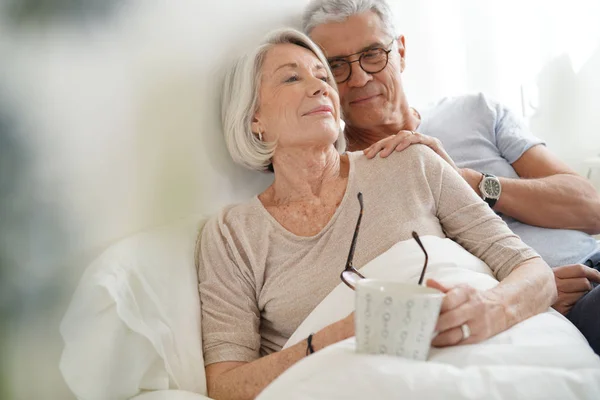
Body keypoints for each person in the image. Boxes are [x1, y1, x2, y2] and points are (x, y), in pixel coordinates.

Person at [197, 27, 556, 400]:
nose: (321, 87)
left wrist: (492, 308)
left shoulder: (409, 161)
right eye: (291, 77)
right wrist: (342, 335)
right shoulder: (231, 234)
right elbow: (224, 386)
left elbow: (535, 272)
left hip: (473, 358)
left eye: (323, 76)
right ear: (255, 118)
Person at [302, 0, 600, 354]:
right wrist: (536, 290)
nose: (360, 77)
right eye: (337, 66)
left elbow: (591, 208)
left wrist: (466, 182)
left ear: (400, 50)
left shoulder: (476, 111)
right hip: (548, 311)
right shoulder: (344, 178)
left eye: (372, 54)